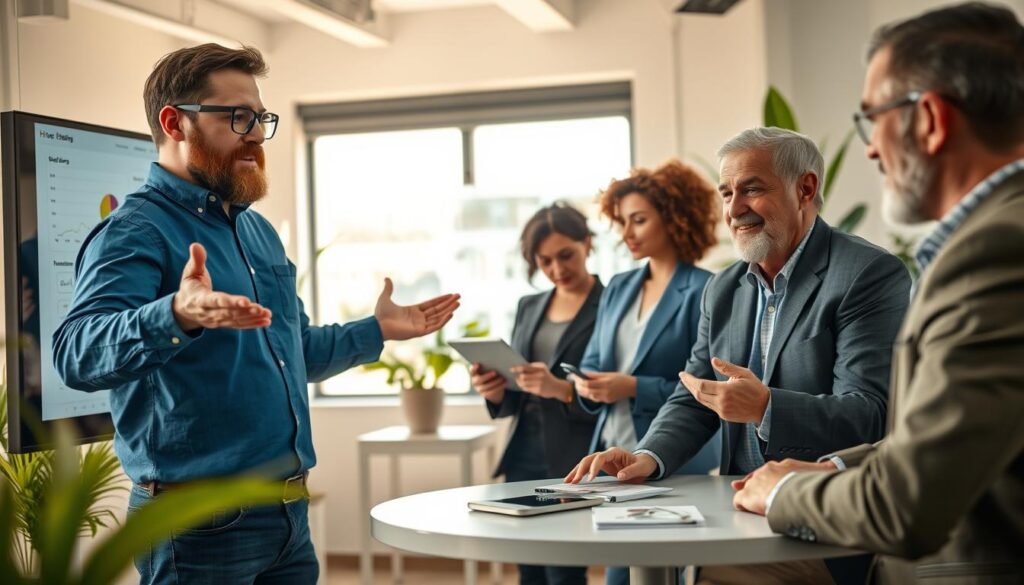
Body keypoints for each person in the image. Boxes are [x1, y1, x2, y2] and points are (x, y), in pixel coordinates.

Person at [51, 44, 459, 585]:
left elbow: (294, 353)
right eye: (237, 117)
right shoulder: (135, 231)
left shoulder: (256, 232)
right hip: (196, 525)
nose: (254, 134)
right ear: (175, 122)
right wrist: (176, 312)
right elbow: (76, 353)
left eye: (259, 118)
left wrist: (378, 329)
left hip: (287, 515)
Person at [734, 3, 1024, 583]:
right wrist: (836, 466)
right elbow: (952, 435)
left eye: (872, 120)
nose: (868, 149)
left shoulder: (992, 251)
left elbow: (907, 505)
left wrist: (785, 491)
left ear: (931, 120)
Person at [566, 128, 911, 585]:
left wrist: (767, 406)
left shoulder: (866, 274)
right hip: (736, 513)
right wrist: (648, 456)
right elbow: (693, 396)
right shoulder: (723, 288)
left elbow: (871, 416)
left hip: (821, 528)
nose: (733, 209)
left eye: (752, 188)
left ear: (805, 189)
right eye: (727, 192)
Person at [568, 160, 720, 585]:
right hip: (611, 450)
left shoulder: (707, 289)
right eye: (623, 222)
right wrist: (588, 385)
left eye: (639, 220)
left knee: (656, 569)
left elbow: (704, 387)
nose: (627, 233)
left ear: (674, 218)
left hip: (675, 455)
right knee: (621, 564)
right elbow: (597, 362)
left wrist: (633, 387)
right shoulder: (618, 286)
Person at [471, 202, 602, 585]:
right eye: (545, 261)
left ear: (587, 244)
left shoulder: (612, 303)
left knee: (563, 569)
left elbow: (611, 393)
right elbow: (517, 387)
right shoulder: (529, 306)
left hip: (576, 454)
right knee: (528, 567)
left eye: (566, 256)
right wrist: (494, 391)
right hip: (523, 452)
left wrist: (561, 389)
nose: (557, 270)